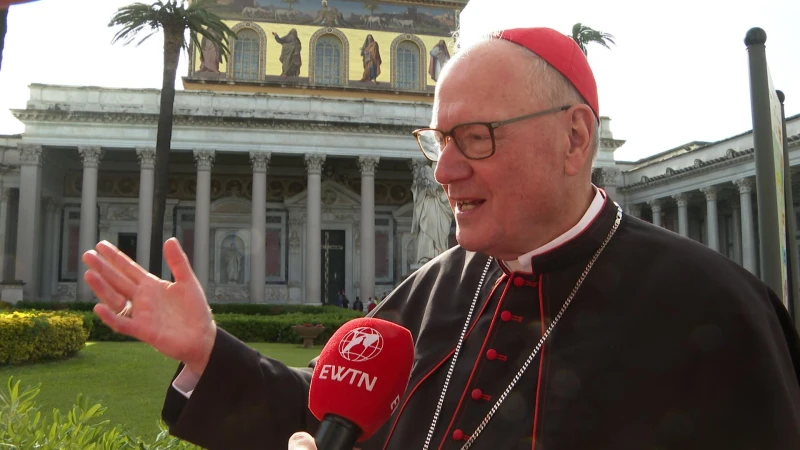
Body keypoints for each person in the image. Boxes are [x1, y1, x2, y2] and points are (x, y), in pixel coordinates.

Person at [82, 26, 800, 450]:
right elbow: (333, 410)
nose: (445, 170)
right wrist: (209, 352)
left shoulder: (714, 308)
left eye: (475, 138)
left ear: (575, 138)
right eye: (439, 141)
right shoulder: (440, 283)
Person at [411, 160, 454, 264]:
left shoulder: (445, 175)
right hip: (428, 206)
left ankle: (438, 254)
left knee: (438, 231)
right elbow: (421, 189)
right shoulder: (425, 171)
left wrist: (438, 190)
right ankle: (425, 256)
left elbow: (447, 196)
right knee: (426, 230)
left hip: (438, 209)